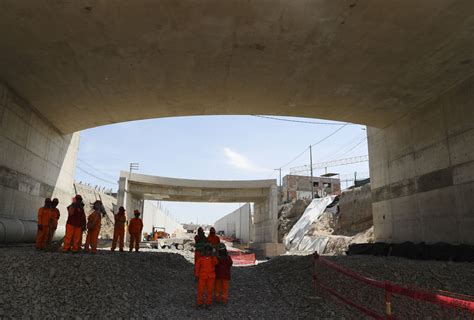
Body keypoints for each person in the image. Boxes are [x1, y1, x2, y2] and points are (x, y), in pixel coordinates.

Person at [195, 245, 218, 309]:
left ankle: (208, 303)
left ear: (210, 251)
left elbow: (216, 263)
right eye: (206, 250)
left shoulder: (212, 258)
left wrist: (213, 256)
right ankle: (199, 303)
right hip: (202, 277)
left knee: (210, 291)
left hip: (211, 277)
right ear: (204, 251)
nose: (208, 252)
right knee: (200, 291)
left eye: (209, 251)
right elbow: (197, 268)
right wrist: (196, 275)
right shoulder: (200, 259)